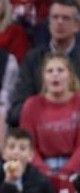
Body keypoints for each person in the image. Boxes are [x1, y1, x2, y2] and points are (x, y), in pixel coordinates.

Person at [8, 0, 80, 125]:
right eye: (55, 17)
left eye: (66, 18)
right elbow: (16, 110)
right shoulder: (32, 58)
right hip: (39, 129)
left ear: (77, 26)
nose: (59, 22)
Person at [19, 53, 80, 182]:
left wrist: (66, 172)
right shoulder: (31, 105)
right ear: (44, 78)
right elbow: (28, 146)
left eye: (60, 70)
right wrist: (44, 173)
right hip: (41, 167)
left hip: (75, 167)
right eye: (49, 71)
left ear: (70, 75)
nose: (55, 74)